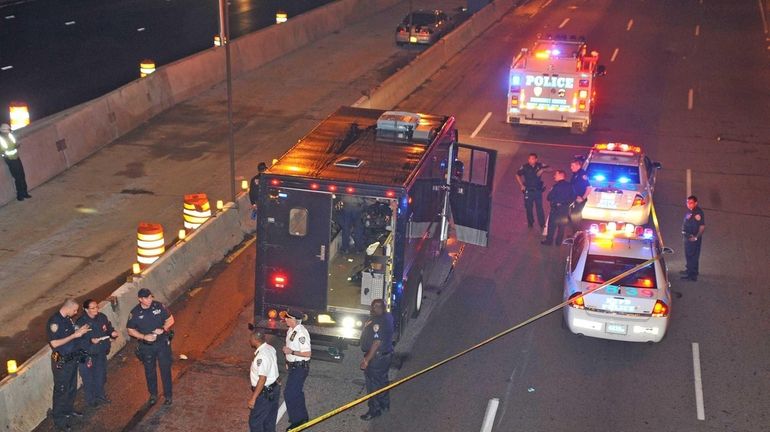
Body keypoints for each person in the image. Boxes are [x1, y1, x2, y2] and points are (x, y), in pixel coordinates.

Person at [47, 299, 91, 431]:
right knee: (61, 390)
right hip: (60, 360)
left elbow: (72, 333)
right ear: (68, 308)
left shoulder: (67, 319)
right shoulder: (54, 322)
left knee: (71, 387)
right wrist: (74, 335)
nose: (76, 312)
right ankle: (59, 420)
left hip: (72, 358)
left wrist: (80, 331)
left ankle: (68, 410)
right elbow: (54, 344)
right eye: (75, 310)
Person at [126, 288, 175, 406]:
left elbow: (170, 319)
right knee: (149, 371)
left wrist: (163, 329)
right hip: (147, 347)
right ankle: (153, 394)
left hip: (162, 343)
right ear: (140, 299)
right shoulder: (135, 313)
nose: (150, 299)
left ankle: (168, 395)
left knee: (165, 370)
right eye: (146, 298)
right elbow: (130, 330)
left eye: (150, 297)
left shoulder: (158, 306)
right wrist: (144, 336)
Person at [76, 299, 118, 407]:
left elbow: (108, 327)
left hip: (100, 351)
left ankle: (101, 395)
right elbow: (77, 340)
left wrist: (112, 332)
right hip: (87, 354)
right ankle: (91, 400)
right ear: (86, 309)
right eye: (92, 308)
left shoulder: (102, 317)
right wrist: (90, 341)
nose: (96, 310)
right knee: (88, 378)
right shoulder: (81, 322)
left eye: (97, 307)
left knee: (101, 375)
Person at [359, 299, 394, 421]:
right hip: (385, 356)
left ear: (383, 308)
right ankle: (385, 404)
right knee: (382, 381)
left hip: (376, 358)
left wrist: (367, 360)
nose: (376, 308)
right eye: (374, 306)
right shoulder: (388, 317)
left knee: (372, 385)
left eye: (379, 306)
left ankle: (374, 410)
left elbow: (376, 342)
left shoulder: (378, 321)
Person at [281, 309, 311, 430]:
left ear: (294, 320)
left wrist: (291, 352)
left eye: (288, 318)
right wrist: (288, 360)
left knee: (290, 393)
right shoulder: (291, 330)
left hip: (300, 367)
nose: (285, 319)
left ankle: (297, 421)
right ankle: (302, 417)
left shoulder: (301, 333)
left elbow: (307, 353)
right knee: (296, 392)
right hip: (294, 366)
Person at [248, 330, 281, 432]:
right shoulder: (270, 348)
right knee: (269, 420)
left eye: (251, 338)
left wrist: (253, 398)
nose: (249, 340)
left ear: (255, 340)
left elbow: (262, 379)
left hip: (265, 393)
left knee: (255, 421)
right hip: (273, 389)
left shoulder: (261, 356)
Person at [515, 153, 548, 229]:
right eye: (529, 158)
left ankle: (542, 223)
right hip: (528, 191)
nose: (530, 160)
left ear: (536, 159)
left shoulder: (539, 165)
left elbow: (550, 168)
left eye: (532, 159)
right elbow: (517, 175)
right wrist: (521, 185)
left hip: (538, 191)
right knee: (528, 208)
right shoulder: (525, 167)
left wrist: (543, 169)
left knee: (539, 208)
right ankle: (530, 223)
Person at [542, 170, 574, 246]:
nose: (554, 176)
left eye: (556, 175)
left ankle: (549, 241)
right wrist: (566, 204)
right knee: (561, 226)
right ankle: (558, 242)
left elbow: (549, 197)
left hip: (555, 209)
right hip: (564, 209)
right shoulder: (570, 186)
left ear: (561, 175)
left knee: (552, 225)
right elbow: (573, 197)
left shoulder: (556, 186)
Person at [0, 123, 31, 201]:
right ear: (4, 131)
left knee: (22, 175)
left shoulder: (10, 135)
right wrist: (14, 146)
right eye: (8, 130)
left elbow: (14, 143)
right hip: (10, 160)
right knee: (18, 177)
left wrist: (16, 145)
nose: (9, 131)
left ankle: (25, 193)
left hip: (16, 157)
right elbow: (4, 150)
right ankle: (20, 195)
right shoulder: (1, 138)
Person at [681, 195, 705, 281]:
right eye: (687, 202)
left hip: (692, 238)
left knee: (692, 256)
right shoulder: (691, 211)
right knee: (689, 255)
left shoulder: (697, 213)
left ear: (696, 203)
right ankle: (690, 270)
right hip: (688, 236)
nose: (688, 204)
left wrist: (696, 237)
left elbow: (702, 227)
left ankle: (692, 275)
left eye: (691, 203)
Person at [568, 159, 590, 234]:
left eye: (572, 166)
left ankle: (576, 234)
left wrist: (582, 198)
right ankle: (575, 232)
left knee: (575, 216)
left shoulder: (582, 175)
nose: (571, 167)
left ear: (578, 166)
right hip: (574, 198)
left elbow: (589, 187)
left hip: (580, 199)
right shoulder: (575, 173)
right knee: (573, 215)